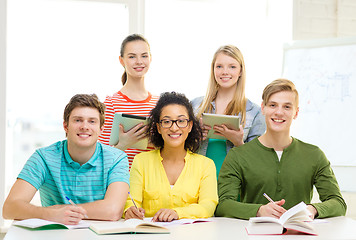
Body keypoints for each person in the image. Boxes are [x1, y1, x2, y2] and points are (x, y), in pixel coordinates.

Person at [215, 79, 347, 220]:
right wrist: (258, 210)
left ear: (296, 112)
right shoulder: (238, 155)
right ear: (263, 108)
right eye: (273, 105)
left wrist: (312, 209)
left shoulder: (314, 155)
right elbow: (224, 206)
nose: (279, 112)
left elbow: (338, 203)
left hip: (299, 234)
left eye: (287, 107)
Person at [2, 94, 129, 225]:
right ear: (66, 126)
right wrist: (50, 214)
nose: (85, 126)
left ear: (101, 129)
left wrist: (62, 210)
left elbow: (113, 210)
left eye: (92, 121)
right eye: (78, 120)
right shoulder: (43, 157)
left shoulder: (117, 159)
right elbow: (10, 208)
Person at [124, 92, 218, 222]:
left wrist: (177, 213)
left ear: (190, 126)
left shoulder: (206, 165)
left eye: (181, 121)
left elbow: (208, 206)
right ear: (158, 127)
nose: (174, 128)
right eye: (167, 121)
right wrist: (130, 211)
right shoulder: (141, 161)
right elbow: (131, 201)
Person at [191, 45, 265, 177]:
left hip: (233, 186)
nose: (225, 72)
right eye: (219, 66)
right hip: (198, 182)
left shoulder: (255, 112)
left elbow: (257, 162)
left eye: (232, 66)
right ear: (213, 69)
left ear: (241, 71)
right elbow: (179, 151)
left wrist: (238, 142)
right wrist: (195, 137)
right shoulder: (195, 106)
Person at [98, 34, 159, 168]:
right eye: (132, 56)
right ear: (121, 60)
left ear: (150, 58)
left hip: (152, 182)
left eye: (144, 56)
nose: (139, 61)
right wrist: (124, 144)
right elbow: (100, 155)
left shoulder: (159, 104)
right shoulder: (111, 103)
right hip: (122, 181)